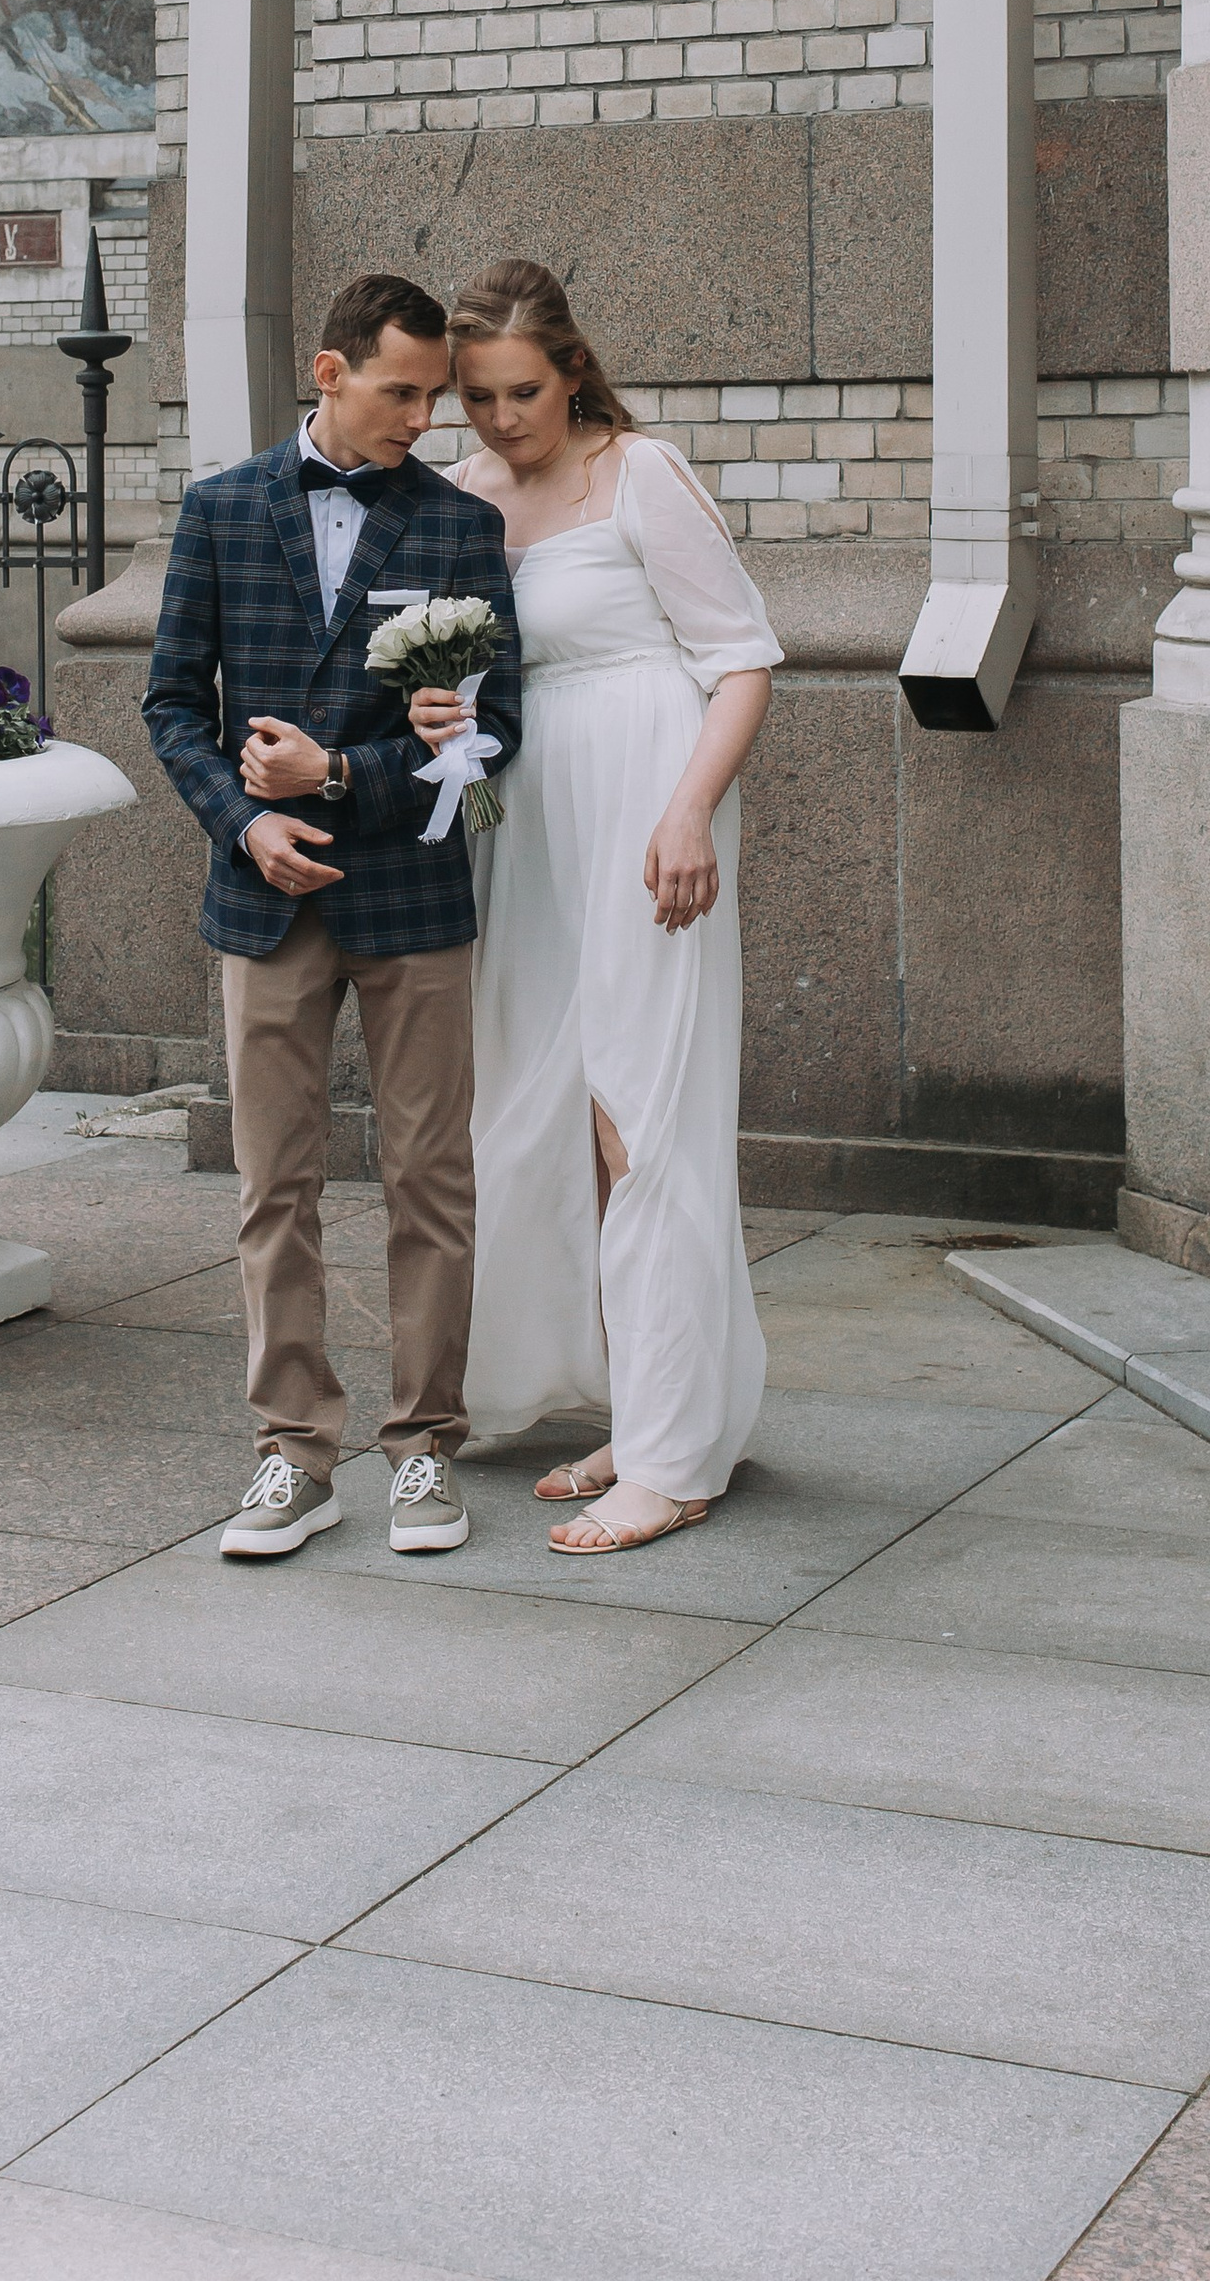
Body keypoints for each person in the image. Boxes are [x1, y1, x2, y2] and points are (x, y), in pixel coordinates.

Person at [144, 274, 522, 1564]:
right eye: (402, 390)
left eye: (435, 394)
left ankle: (422, 1447)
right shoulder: (219, 512)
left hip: (412, 899)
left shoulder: (459, 530)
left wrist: (348, 775)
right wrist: (245, 820)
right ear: (329, 371)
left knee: (429, 1178)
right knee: (275, 1184)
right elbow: (169, 709)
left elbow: (499, 723)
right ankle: (292, 1452)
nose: (427, 416)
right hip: (266, 899)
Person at [411, 256, 781, 1557]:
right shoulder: (460, 496)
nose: (505, 420)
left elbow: (739, 660)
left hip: (643, 803)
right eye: (478, 397)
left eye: (522, 391)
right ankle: (649, 1409)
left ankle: (675, 1464)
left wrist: (687, 815)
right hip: (530, 827)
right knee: (557, 1115)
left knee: (643, 1114)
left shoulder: (643, 474)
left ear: (571, 371)